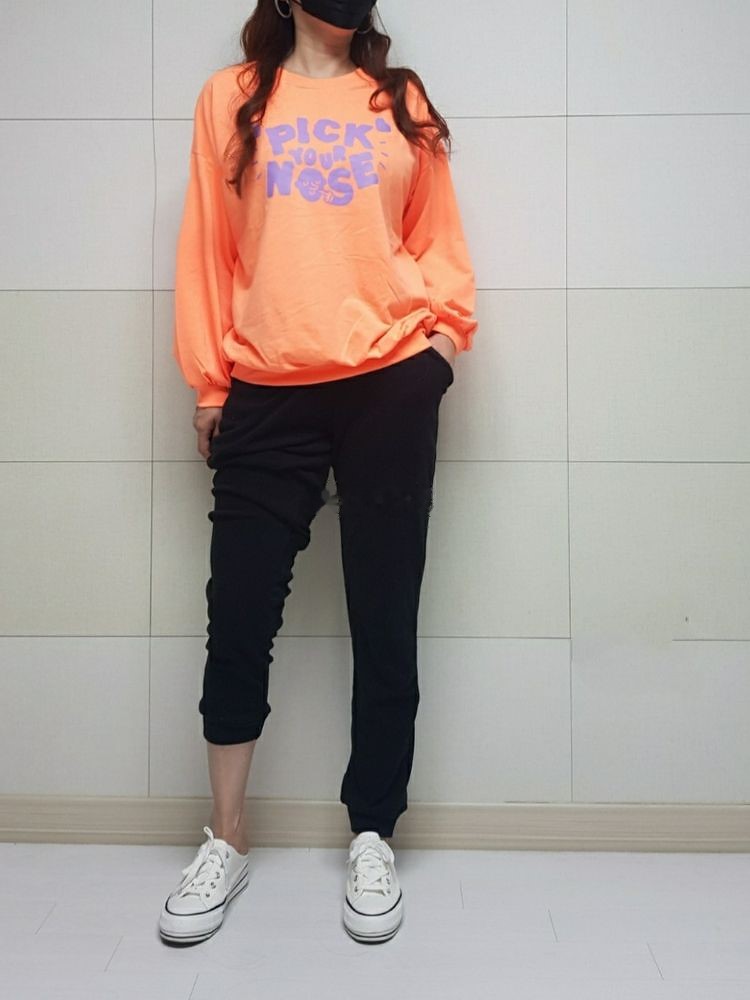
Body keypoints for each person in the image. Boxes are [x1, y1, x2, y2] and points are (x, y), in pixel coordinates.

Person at [159, 0, 478, 947]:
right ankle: (227, 836)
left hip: (391, 383)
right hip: (267, 386)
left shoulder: (400, 100)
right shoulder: (232, 97)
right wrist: (210, 382)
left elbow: (438, 242)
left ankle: (373, 833)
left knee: (385, 614)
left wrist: (439, 352)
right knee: (239, 614)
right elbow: (209, 245)